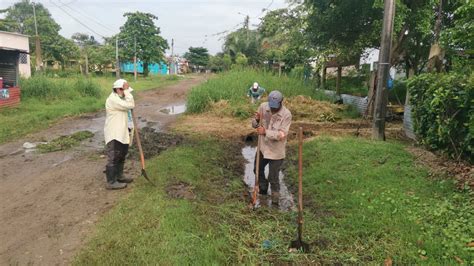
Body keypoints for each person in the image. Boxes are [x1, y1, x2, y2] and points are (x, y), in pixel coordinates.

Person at [252, 90, 292, 205]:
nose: (273, 109)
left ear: (281, 102)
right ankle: (263, 191)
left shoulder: (286, 114)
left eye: (275, 106)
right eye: (271, 106)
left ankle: (275, 200)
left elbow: (282, 134)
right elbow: (254, 124)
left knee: (273, 177)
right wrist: (256, 120)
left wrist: (265, 131)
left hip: (276, 150)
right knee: (257, 169)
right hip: (263, 147)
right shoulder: (263, 107)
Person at [103, 79, 135, 190]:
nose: (124, 91)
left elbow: (128, 107)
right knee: (114, 156)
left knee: (122, 155)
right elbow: (130, 105)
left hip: (123, 131)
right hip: (115, 133)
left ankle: (119, 176)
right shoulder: (113, 100)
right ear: (117, 89)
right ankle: (111, 182)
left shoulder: (121, 98)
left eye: (125, 89)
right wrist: (127, 93)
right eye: (122, 89)